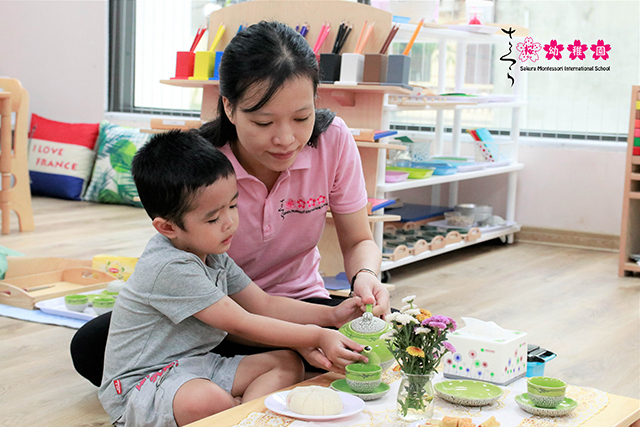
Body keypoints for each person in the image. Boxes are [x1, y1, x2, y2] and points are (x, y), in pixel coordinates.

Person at [70, 20, 390, 386]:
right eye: (264, 122)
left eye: (302, 118)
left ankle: (261, 365)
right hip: (212, 314)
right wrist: (304, 338)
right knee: (92, 346)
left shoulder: (333, 140)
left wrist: (365, 278)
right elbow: (223, 308)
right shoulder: (204, 170)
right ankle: (280, 361)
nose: (286, 139)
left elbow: (359, 240)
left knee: (386, 329)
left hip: (297, 306)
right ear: (229, 107)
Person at [99, 130, 367, 427]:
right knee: (205, 401)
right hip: (144, 384)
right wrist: (317, 335)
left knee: (286, 362)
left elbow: (264, 304)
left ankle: (240, 417)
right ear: (168, 228)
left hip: (198, 366)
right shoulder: (169, 266)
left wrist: (331, 315)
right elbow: (242, 322)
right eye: (213, 218)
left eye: (233, 205)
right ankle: (236, 414)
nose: (229, 223)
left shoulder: (212, 253)